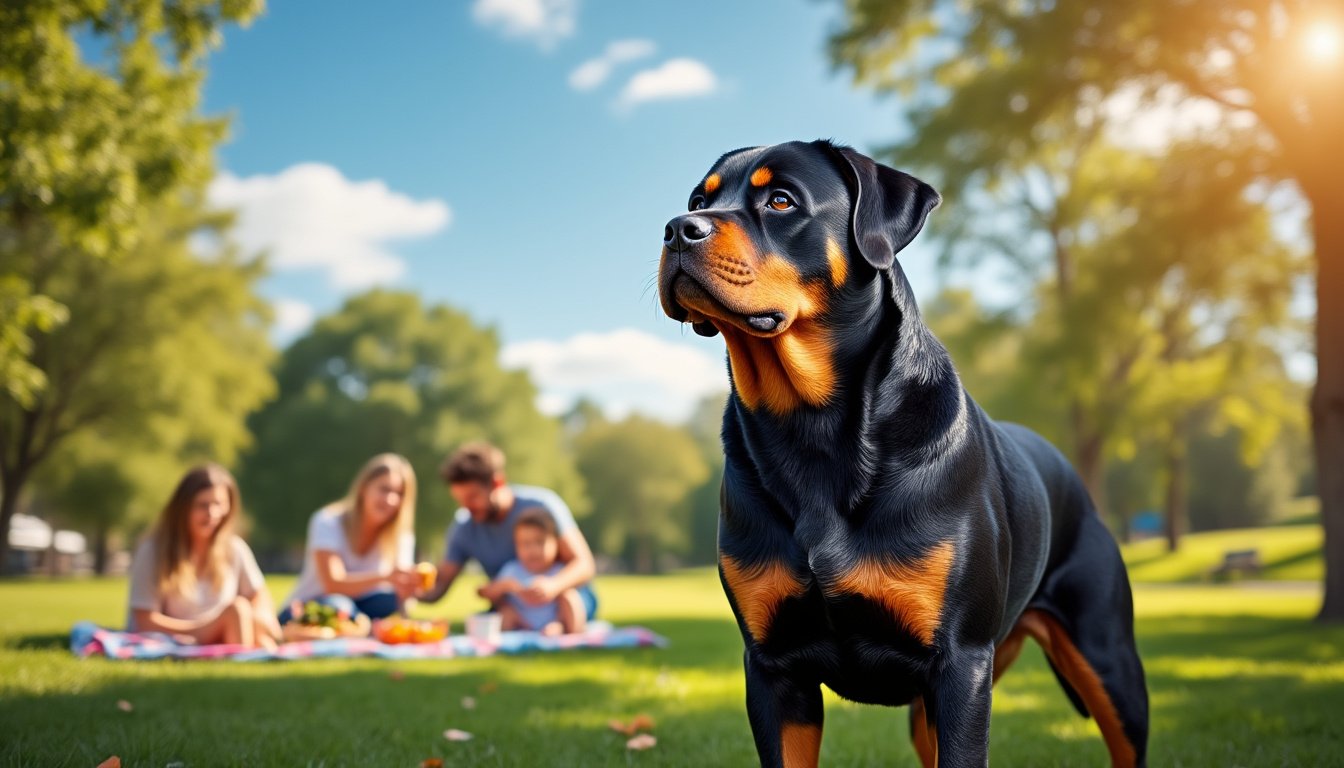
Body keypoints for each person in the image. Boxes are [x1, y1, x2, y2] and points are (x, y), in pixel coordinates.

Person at [419, 441, 598, 624]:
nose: (467, 508)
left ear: (497, 482)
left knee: (570, 605)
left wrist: (554, 585)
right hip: (515, 607)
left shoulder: (542, 505)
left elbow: (585, 564)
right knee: (482, 624)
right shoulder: (464, 527)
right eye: (460, 500)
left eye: (472, 497)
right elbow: (440, 584)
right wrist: (414, 587)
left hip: (563, 598)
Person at [127, 464, 282, 649]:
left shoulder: (234, 548)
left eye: (219, 504)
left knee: (249, 618)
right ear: (182, 508)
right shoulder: (154, 551)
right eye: (202, 505)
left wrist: (259, 619)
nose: (212, 514)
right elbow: (145, 621)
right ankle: (244, 665)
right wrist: (202, 631)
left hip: (225, 633)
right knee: (237, 610)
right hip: (177, 638)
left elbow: (259, 598)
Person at [280, 453, 421, 624]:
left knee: (389, 599)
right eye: (384, 489)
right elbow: (333, 584)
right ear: (363, 488)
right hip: (309, 606)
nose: (391, 500)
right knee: (340, 605)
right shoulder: (328, 521)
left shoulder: (400, 534)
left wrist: (410, 589)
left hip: (359, 606)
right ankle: (359, 625)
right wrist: (385, 577)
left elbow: (402, 595)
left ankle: (360, 626)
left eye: (399, 493)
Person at [480, 508, 587, 636]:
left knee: (570, 596)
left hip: (554, 621)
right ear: (516, 546)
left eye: (540, 542)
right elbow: (484, 592)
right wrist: (507, 586)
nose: (533, 550)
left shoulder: (559, 571)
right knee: (505, 612)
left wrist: (555, 587)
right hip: (521, 622)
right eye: (525, 544)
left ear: (556, 543)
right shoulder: (512, 570)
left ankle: (571, 632)